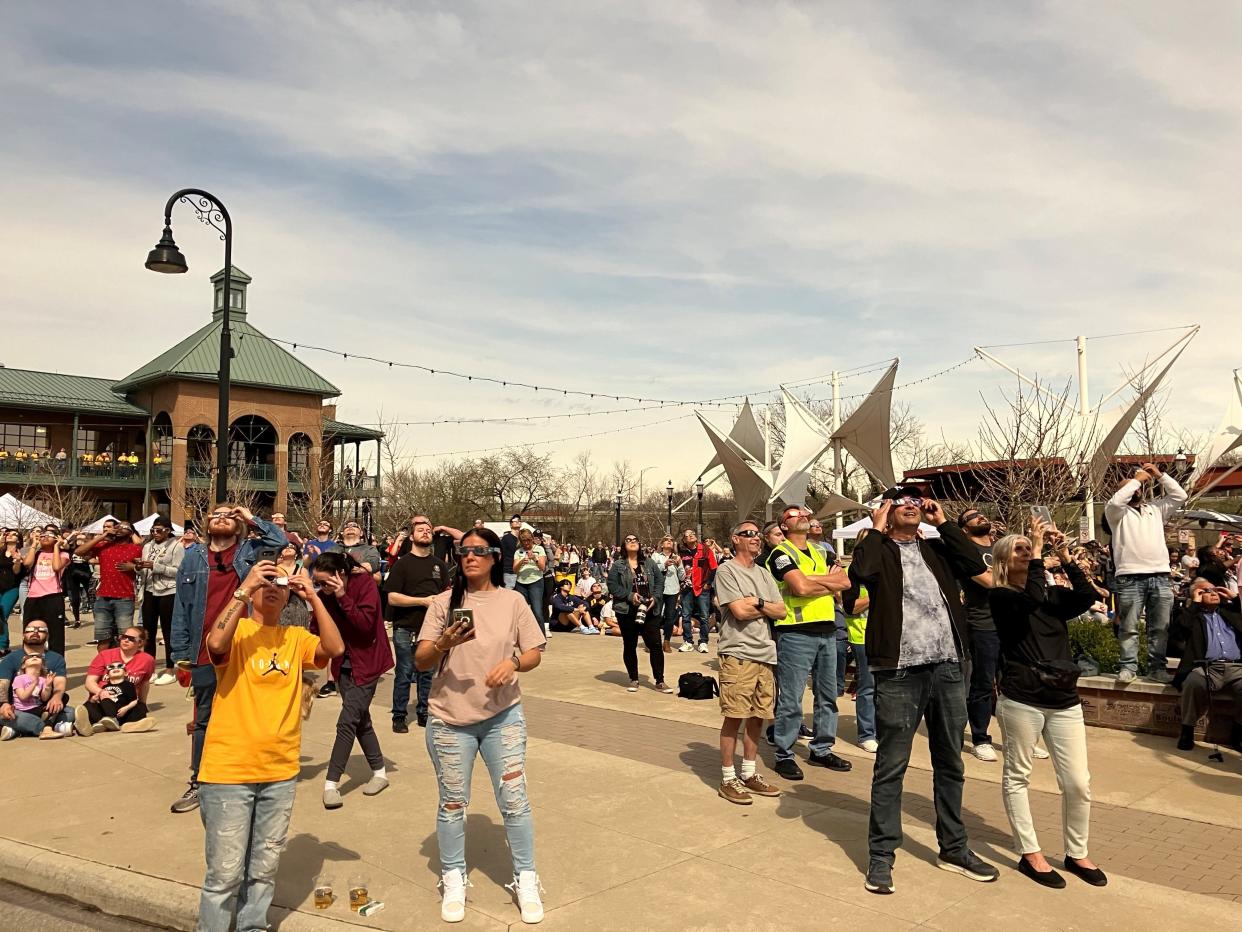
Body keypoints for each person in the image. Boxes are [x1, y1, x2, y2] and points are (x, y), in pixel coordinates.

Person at [850, 487, 997, 895]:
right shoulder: (878, 549)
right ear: (885, 512)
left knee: (950, 761)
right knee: (892, 765)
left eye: (916, 501)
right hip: (898, 671)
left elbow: (974, 563)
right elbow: (860, 574)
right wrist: (877, 526)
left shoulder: (937, 548)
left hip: (948, 666)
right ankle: (881, 856)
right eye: (901, 502)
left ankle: (953, 848)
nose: (912, 506)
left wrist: (944, 522)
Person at [195, 557, 344, 931]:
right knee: (225, 876)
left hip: (279, 770)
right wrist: (244, 587)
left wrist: (312, 595)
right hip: (229, 771)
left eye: (280, 583)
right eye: (267, 581)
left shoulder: (295, 639)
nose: (273, 588)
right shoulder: (239, 630)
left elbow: (334, 648)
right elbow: (215, 642)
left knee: (263, 870)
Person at [415, 527, 547, 924]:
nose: (470, 557)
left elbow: (535, 651)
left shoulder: (513, 601)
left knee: (514, 801)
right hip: (449, 721)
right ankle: (454, 876)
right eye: (463, 551)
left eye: (479, 551)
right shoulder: (442, 603)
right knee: (453, 803)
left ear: (494, 557)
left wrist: (514, 663)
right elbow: (421, 660)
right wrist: (442, 644)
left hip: (502, 717)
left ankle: (525, 877)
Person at [990, 519, 1106, 888]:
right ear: (1004, 562)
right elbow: (1032, 599)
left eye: (1030, 547)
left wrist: (1066, 557)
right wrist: (1040, 555)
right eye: (1019, 549)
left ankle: (1077, 852)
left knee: (1077, 782)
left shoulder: (1051, 594)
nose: (1027, 552)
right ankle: (1030, 853)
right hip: (1023, 698)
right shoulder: (1003, 597)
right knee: (1018, 776)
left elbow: (1088, 598)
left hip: (1063, 697)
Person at [168, 504, 286, 814]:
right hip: (204, 647)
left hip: (244, 646)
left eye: (229, 515)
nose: (222, 517)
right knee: (205, 719)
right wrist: (180, 655)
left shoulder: (249, 549)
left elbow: (280, 541)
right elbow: (181, 605)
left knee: (248, 713)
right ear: (206, 523)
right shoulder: (193, 556)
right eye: (216, 514)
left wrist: (250, 517)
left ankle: (249, 776)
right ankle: (200, 781)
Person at [765, 504, 853, 780]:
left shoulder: (820, 551)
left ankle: (822, 748)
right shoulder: (780, 554)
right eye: (795, 515)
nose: (803, 516)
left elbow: (845, 583)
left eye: (805, 513)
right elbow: (799, 587)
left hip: (827, 630)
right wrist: (826, 581)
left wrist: (815, 580)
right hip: (796, 632)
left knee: (828, 695)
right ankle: (784, 753)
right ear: (784, 525)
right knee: (791, 698)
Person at [314, 550, 395, 809]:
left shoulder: (365, 586)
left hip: (368, 663)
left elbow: (364, 624)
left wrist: (342, 596)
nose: (321, 587)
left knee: (347, 721)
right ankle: (380, 772)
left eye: (325, 582)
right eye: (317, 582)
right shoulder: (322, 596)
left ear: (340, 575)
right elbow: (317, 629)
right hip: (343, 665)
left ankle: (331, 783)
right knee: (360, 720)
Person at [714, 519, 786, 805]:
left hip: (765, 653)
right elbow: (738, 613)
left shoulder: (765, 574)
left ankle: (749, 773)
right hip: (738, 653)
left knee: (758, 716)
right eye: (749, 534)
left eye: (758, 534)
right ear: (735, 539)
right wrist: (761, 607)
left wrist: (755, 601)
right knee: (735, 715)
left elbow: (780, 611)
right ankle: (728, 777)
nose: (756, 538)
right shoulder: (726, 570)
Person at [1103, 461, 1187, 684]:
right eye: (1128, 487)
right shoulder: (1116, 514)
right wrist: (1136, 479)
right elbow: (1116, 500)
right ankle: (1128, 667)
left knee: (1160, 627)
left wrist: (1160, 475)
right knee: (1129, 626)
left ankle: (1156, 668)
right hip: (1130, 577)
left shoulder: (1156, 509)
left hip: (1160, 575)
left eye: (1137, 487)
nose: (1135, 489)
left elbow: (1180, 496)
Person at [384, 515, 451, 732]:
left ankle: (424, 712)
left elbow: (446, 594)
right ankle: (399, 716)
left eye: (429, 530)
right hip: (405, 627)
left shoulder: (439, 565)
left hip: (432, 630)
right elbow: (392, 597)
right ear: (412, 536)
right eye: (420, 530)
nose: (425, 532)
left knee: (427, 673)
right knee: (404, 672)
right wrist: (422, 601)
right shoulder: (402, 564)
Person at [1171, 578, 1242, 753]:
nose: (1213, 593)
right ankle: (1187, 730)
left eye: (1215, 590)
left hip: (1237, 668)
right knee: (1193, 683)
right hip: (1206, 667)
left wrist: (1236, 598)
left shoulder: (1231, 612)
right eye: (1206, 591)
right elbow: (1179, 631)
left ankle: (1239, 732)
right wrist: (1194, 603)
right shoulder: (1193, 616)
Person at [957, 508, 1003, 761]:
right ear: (965, 529)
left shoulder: (1001, 549)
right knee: (983, 683)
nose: (980, 517)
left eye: (981, 514)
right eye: (972, 517)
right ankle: (980, 737)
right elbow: (989, 582)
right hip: (983, 624)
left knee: (1013, 683)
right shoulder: (968, 553)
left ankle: (1016, 737)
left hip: (1010, 622)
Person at [607, 534, 671, 694]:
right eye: (628, 540)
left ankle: (660, 681)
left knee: (655, 644)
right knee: (630, 644)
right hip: (627, 610)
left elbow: (659, 581)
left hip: (649, 609)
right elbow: (612, 585)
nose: (632, 542)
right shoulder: (618, 565)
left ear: (639, 544)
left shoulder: (649, 563)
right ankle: (633, 679)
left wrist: (656, 598)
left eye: (635, 540)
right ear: (623, 545)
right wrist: (629, 596)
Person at [0, 620, 73, 739]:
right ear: (23, 634)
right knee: (23, 719)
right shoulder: (10, 659)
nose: (35, 632)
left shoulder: (56, 658)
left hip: (41, 706)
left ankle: (16, 730)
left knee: (70, 713)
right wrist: (3, 704)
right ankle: (49, 727)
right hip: (14, 707)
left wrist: (56, 697)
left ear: (47, 636)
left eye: (41, 630)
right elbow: (2, 684)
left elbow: (59, 682)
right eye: (30, 630)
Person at [77, 521, 143, 650]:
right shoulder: (104, 545)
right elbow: (79, 551)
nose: (120, 529)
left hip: (124, 598)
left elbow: (145, 565)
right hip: (103, 597)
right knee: (103, 638)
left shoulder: (136, 549)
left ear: (131, 533)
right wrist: (102, 536)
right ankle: (104, 666)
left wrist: (134, 567)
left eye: (125, 527)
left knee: (126, 637)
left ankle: (126, 667)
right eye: (117, 527)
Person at [139, 517, 183, 686]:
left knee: (168, 630)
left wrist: (157, 567)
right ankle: (149, 668)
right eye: (153, 530)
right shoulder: (148, 546)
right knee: (148, 631)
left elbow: (179, 571)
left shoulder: (176, 546)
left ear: (167, 530)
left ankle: (170, 668)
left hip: (168, 591)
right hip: (149, 589)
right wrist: (139, 567)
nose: (155, 534)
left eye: (159, 530)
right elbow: (145, 568)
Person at [840, 577, 877, 753]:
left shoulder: (886, 570)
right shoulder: (851, 575)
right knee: (868, 686)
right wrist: (877, 594)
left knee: (885, 688)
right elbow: (851, 607)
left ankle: (880, 731)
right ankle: (867, 735)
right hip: (861, 637)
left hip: (885, 637)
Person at [22, 526, 69, 656]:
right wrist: (34, 545)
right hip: (33, 597)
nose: (44, 537)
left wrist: (56, 547)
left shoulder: (63, 554)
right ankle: (29, 662)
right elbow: (27, 564)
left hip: (53, 597)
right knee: (30, 632)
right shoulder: (36, 554)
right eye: (42, 535)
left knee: (55, 635)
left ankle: (56, 666)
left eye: (49, 535)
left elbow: (56, 567)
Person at [677, 527, 718, 653]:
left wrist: (708, 583)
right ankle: (688, 641)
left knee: (704, 616)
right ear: (683, 540)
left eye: (692, 534)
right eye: (687, 535)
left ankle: (703, 642)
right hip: (686, 588)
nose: (690, 536)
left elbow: (714, 567)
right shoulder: (681, 552)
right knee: (685, 615)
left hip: (702, 587)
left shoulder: (705, 550)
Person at [651, 535, 686, 653]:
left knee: (670, 617)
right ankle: (654, 641)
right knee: (656, 615)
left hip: (673, 590)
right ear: (661, 544)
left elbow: (682, 577)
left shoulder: (677, 557)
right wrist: (664, 565)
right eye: (666, 540)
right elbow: (651, 571)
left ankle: (666, 641)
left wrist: (680, 566)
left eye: (671, 541)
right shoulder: (655, 556)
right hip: (659, 589)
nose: (669, 542)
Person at [513, 529, 547, 624]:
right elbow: (515, 569)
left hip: (536, 582)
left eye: (528, 540)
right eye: (524, 541)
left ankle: (541, 637)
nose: (527, 543)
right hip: (521, 583)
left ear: (532, 538)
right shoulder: (518, 552)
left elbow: (542, 567)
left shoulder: (539, 549)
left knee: (537, 612)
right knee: (520, 612)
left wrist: (535, 559)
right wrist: (521, 562)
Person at [0, 530, 25, 653]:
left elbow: (16, 571)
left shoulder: (20, 552)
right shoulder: (1, 551)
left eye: (14, 534)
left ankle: (3, 646)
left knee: (2, 614)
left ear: (19, 539)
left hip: (12, 587)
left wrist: (17, 562)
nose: (10, 535)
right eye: (8, 533)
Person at [501, 515, 523, 589]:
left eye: (519, 520)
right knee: (509, 596)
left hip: (522, 572)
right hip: (509, 572)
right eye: (515, 521)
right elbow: (501, 555)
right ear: (510, 524)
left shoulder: (523, 538)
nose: (517, 522)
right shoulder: (506, 538)